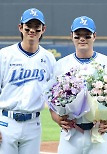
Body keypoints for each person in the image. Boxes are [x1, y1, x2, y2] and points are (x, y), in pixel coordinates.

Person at [49, 16, 107, 154]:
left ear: (94, 36)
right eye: (78, 35)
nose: (82, 39)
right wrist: (56, 118)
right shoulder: (60, 65)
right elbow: (50, 98)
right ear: (71, 36)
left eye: (87, 35)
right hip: (70, 132)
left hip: (99, 132)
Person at [0, 8, 56, 154]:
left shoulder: (49, 58)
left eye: (36, 27)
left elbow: (54, 94)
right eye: (28, 26)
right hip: (6, 122)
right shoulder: (5, 55)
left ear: (43, 29)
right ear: (20, 27)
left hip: (33, 124)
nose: (32, 30)